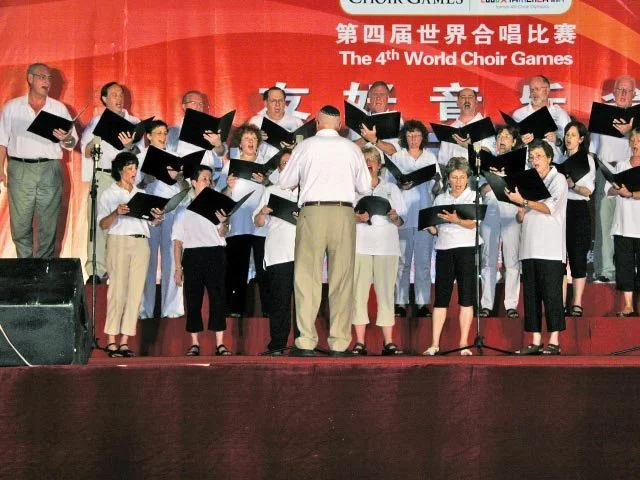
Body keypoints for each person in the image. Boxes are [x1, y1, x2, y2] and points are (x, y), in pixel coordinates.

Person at [279, 105, 371, 356]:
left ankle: (306, 342)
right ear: (340, 125)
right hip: (343, 213)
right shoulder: (352, 148)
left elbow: (285, 182)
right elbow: (365, 187)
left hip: (313, 212)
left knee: (307, 278)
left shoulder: (305, 146)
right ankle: (339, 343)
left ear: (317, 124)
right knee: (342, 279)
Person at [0, 62, 78, 259]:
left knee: (48, 224)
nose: (47, 82)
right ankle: (25, 267)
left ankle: (44, 269)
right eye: (42, 77)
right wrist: (0, 169)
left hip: (49, 169)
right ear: (30, 78)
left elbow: (72, 142)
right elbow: (2, 141)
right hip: (20, 168)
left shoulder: (58, 108)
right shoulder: (12, 107)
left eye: (49, 78)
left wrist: (66, 138)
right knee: (20, 224)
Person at [98, 151, 163, 357]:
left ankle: (125, 341)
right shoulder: (109, 194)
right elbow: (103, 224)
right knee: (117, 291)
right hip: (119, 241)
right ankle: (111, 340)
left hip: (141, 243)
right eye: (129, 168)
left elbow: (150, 222)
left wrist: (157, 218)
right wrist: (116, 212)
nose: (134, 172)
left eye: (135, 168)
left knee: (136, 293)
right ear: (120, 171)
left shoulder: (140, 193)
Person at [506, 140, 568, 355]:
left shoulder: (558, 179)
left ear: (549, 158)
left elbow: (550, 208)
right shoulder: (528, 180)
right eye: (532, 157)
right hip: (529, 246)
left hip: (550, 248)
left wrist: (524, 202)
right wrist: (520, 209)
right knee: (531, 297)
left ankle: (554, 341)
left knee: (552, 295)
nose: (535, 161)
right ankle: (535, 340)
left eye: (539, 156)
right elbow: (521, 217)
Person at [81, 81, 141, 283]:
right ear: (104, 99)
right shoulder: (96, 121)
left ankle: (121, 270)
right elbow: (86, 151)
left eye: (121, 94)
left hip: (126, 178)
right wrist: (99, 135)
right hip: (103, 176)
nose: (119, 98)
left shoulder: (134, 122)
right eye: (114, 95)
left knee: (125, 223)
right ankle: (96, 270)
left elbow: (141, 154)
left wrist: (129, 146)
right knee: (98, 223)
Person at [423, 157, 480, 356]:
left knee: (466, 297)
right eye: (454, 177)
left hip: (466, 249)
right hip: (444, 249)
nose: (458, 181)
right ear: (448, 178)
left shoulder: (473, 196)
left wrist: (456, 220)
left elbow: (473, 223)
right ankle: (434, 344)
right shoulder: (440, 199)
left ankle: (464, 343)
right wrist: (429, 226)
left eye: (461, 177)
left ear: (467, 178)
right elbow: (436, 229)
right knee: (441, 298)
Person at [351, 146, 406, 356]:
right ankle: (359, 342)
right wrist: (356, 218)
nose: (369, 163)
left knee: (386, 294)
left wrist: (395, 217)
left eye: (372, 160)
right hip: (360, 246)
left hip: (387, 247)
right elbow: (344, 216)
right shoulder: (353, 188)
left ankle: (389, 341)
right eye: (365, 160)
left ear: (379, 165)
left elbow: (402, 220)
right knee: (359, 293)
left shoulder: (392, 188)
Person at [173, 165, 232, 356]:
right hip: (192, 256)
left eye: (210, 179)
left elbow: (222, 233)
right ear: (194, 182)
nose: (208, 182)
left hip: (215, 253)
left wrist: (224, 222)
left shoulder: (218, 207)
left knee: (218, 298)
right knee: (193, 300)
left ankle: (220, 344)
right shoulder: (183, 210)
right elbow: (177, 242)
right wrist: (178, 268)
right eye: (204, 179)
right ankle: (194, 343)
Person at [389, 120, 441, 318]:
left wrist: (436, 181)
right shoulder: (397, 157)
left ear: (423, 137)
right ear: (405, 137)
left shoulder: (430, 157)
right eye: (410, 135)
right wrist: (400, 185)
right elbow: (389, 187)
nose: (413, 139)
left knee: (423, 263)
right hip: (402, 215)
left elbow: (437, 190)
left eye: (417, 135)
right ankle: (400, 303)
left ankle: (422, 303)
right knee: (402, 262)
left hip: (424, 215)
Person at [218, 123, 269, 318]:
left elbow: (276, 191)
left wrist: (265, 181)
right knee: (236, 268)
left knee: (264, 269)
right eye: (246, 139)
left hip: (262, 226)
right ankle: (235, 309)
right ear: (239, 143)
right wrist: (229, 187)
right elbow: (221, 197)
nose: (250, 142)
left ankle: (267, 310)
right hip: (238, 225)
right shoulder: (230, 166)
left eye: (254, 139)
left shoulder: (266, 166)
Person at [252, 148, 299, 354]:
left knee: (304, 302)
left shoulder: (307, 190)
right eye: (284, 164)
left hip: (304, 253)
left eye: (292, 163)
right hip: (279, 253)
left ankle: (303, 344)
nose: (289, 167)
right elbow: (258, 222)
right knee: (280, 301)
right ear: (279, 170)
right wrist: (262, 212)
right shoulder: (271, 191)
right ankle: (277, 344)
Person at [590, 75, 636, 284]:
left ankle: (630, 269)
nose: (623, 94)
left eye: (628, 90)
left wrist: (629, 133)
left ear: (634, 94)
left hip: (633, 173)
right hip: (606, 172)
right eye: (620, 90)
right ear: (613, 92)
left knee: (631, 223)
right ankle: (606, 270)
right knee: (604, 222)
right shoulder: (602, 115)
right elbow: (593, 150)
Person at [138, 120, 185, 319]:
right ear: (148, 136)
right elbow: (133, 187)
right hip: (148, 210)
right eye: (158, 133)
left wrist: (179, 178)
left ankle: (171, 308)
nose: (163, 136)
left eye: (165, 133)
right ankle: (144, 309)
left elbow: (185, 189)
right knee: (146, 259)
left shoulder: (175, 156)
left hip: (171, 209)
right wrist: (144, 181)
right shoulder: (140, 157)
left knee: (172, 258)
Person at [479, 125, 522, 319]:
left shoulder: (521, 163)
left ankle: (511, 304)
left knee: (511, 259)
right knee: (488, 258)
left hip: (511, 210)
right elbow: (481, 189)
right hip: (490, 210)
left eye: (507, 136)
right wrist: (494, 179)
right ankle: (486, 304)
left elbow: (522, 188)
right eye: (500, 136)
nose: (502, 139)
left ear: (514, 142)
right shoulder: (486, 162)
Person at [561, 121, 596, 317]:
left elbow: (588, 190)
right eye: (567, 134)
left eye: (573, 135)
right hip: (560, 210)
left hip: (578, 209)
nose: (569, 138)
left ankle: (577, 303)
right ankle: (560, 302)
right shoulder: (559, 159)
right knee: (559, 258)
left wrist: (573, 185)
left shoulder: (587, 160)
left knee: (577, 256)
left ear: (581, 139)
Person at [607, 127, 640, 317]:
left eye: (639, 141)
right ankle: (628, 305)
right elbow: (609, 190)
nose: (635, 144)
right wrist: (617, 189)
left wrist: (632, 194)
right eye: (633, 140)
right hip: (623, 225)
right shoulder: (621, 165)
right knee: (624, 265)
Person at [166, 90, 226, 182]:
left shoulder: (211, 129)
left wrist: (218, 145)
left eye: (201, 103)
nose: (198, 106)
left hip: (208, 180)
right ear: (184, 106)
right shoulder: (173, 131)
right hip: (183, 182)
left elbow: (221, 153)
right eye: (193, 102)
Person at [512, 75, 571, 162]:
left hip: (554, 164)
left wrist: (557, 140)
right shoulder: (519, 114)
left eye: (537, 89)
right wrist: (521, 141)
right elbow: (511, 145)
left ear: (547, 90)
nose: (534, 93)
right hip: (528, 165)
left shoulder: (561, 114)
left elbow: (571, 145)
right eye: (532, 90)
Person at [436, 88, 493, 167]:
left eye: (470, 97)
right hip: (454, 173)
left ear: (476, 102)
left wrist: (469, 146)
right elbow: (442, 161)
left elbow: (489, 153)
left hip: (478, 173)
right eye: (463, 97)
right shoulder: (450, 129)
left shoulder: (485, 125)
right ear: (457, 103)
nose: (467, 100)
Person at [348, 81, 401, 157]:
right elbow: (350, 149)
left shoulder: (397, 120)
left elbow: (395, 151)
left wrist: (374, 140)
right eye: (375, 94)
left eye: (382, 94)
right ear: (369, 97)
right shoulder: (358, 118)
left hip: (385, 164)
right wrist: (365, 138)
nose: (378, 98)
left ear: (388, 97)